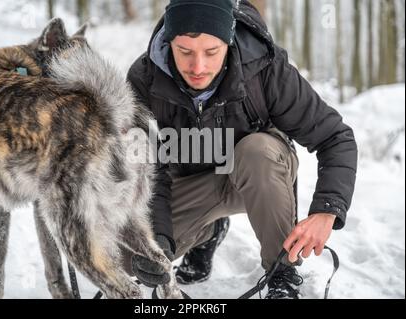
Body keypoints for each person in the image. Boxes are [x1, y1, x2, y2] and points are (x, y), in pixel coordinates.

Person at [126, 0, 357, 299]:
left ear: (229, 40)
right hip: (190, 183)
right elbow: (146, 171)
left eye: (211, 52)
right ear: (169, 42)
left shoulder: (265, 68)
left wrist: (327, 211)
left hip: (258, 173)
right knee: (127, 259)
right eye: (184, 52)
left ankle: (281, 273)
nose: (198, 67)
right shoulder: (142, 80)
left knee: (256, 152)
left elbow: (336, 137)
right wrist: (158, 240)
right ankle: (207, 233)